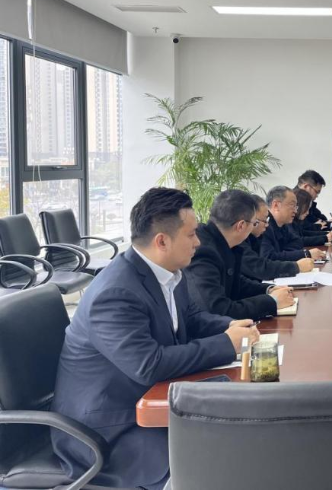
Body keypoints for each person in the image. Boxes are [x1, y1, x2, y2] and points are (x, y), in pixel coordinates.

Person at [50, 188, 260, 490]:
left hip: (142, 400)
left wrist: (232, 326)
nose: (198, 242)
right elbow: (149, 365)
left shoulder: (168, 272)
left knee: (234, 432)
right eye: (191, 235)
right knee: (215, 451)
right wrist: (227, 343)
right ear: (162, 241)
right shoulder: (115, 293)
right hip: (106, 430)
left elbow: (191, 319)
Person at [186, 189, 294, 319]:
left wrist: (268, 289)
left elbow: (236, 283)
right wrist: (272, 301)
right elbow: (219, 310)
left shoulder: (222, 241)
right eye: (254, 223)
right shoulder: (203, 252)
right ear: (241, 225)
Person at [241, 194, 315, 281]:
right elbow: (261, 266)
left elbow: (297, 241)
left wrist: (268, 288)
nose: (267, 224)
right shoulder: (238, 243)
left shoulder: (257, 235)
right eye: (265, 220)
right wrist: (297, 266)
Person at [261, 185, 326, 262]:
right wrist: (306, 254)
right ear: (276, 205)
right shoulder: (264, 225)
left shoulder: (283, 225)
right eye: (292, 205)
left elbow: (297, 242)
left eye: (296, 206)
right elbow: (269, 258)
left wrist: (282, 254)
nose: (295, 211)